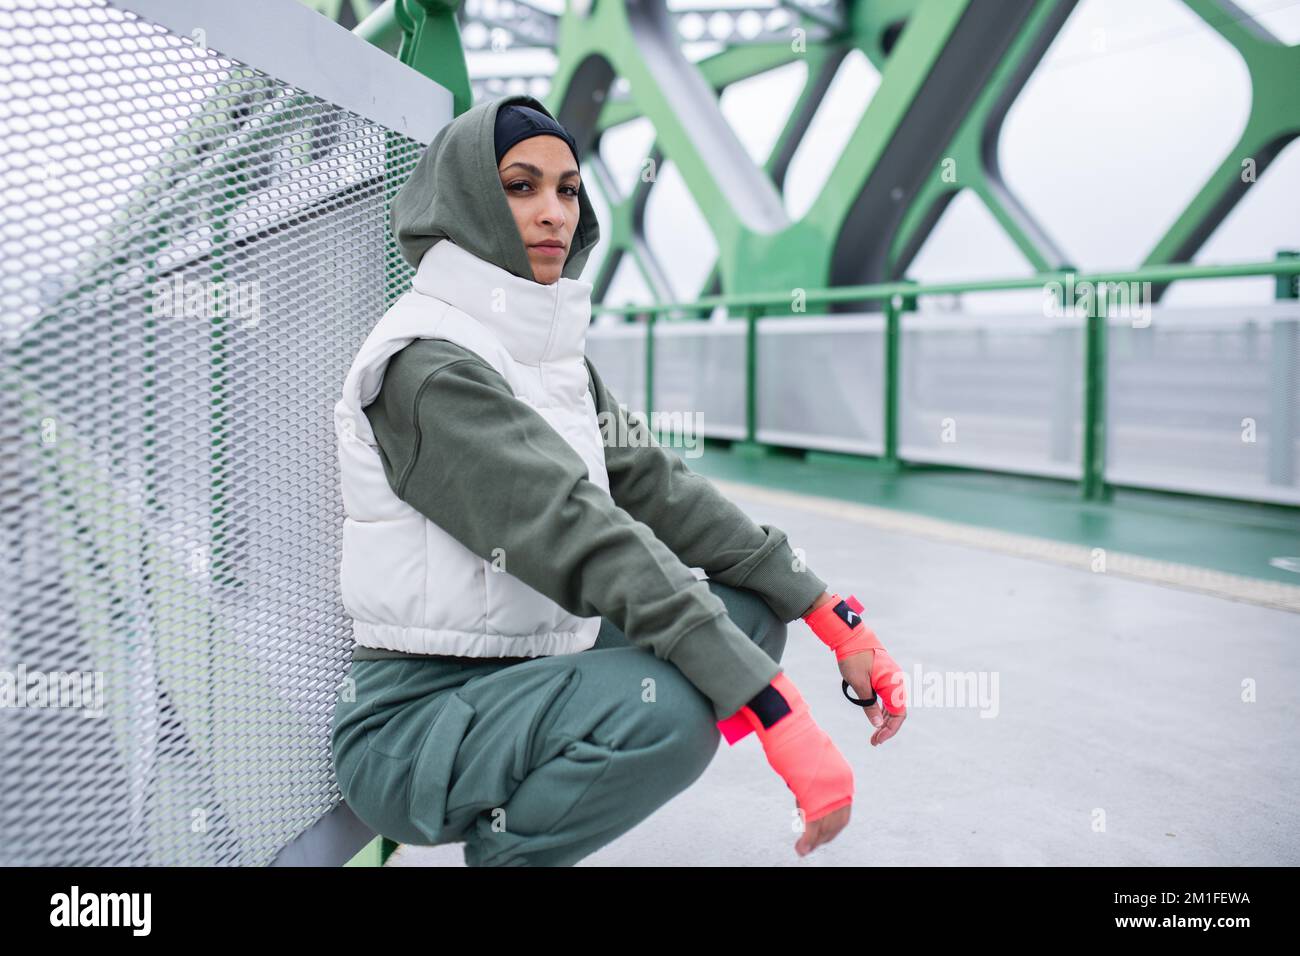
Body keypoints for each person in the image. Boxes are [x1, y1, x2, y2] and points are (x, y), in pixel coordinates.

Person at [330, 94, 906, 867]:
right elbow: (575, 529)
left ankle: (617, 751)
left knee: (747, 614)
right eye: (520, 185)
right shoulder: (429, 367)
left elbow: (657, 486)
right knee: (667, 715)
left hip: (523, 663)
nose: (553, 213)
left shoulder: (546, 356)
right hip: (416, 723)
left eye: (568, 190)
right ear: (468, 199)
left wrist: (830, 611)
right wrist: (773, 710)